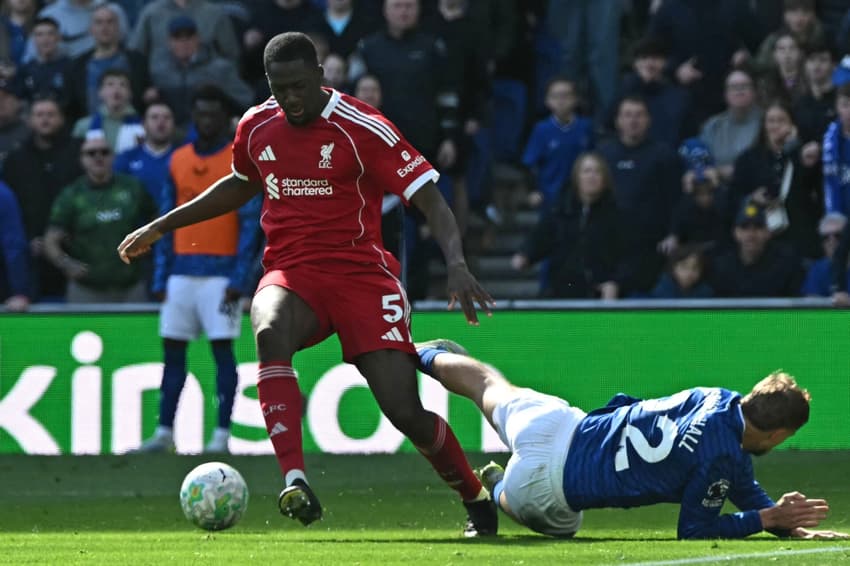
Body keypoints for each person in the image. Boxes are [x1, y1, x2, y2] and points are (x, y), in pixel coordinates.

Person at [117, 32, 497, 536]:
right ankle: (294, 479)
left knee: (404, 411)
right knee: (268, 327)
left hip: (362, 277)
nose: (290, 98)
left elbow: (429, 198)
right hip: (293, 272)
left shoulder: (364, 128)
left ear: (321, 76)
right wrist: (163, 225)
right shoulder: (257, 125)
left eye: (299, 86)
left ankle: (475, 497)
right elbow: (240, 181)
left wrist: (456, 263)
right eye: (280, 88)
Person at [413, 339, 850, 540]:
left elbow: (737, 476)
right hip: (549, 490)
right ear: (775, 433)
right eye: (782, 439)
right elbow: (695, 530)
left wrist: (777, 519)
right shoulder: (719, 455)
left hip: (561, 426)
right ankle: (497, 485)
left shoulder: (715, 398)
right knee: (561, 524)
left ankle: (419, 352)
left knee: (488, 381)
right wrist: (768, 520)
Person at [135, 86, 262, 454]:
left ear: (225, 119)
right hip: (180, 274)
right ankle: (164, 432)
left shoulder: (238, 163)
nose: (206, 120)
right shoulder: (178, 160)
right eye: (200, 113)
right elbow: (163, 219)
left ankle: (221, 435)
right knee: (172, 354)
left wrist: (240, 278)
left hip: (221, 277)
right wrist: (161, 276)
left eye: (212, 114)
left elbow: (250, 224)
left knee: (223, 354)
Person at [46, 133, 155, 303]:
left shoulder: (133, 188)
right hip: (85, 289)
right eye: (91, 153)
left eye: (104, 152)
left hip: (131, 287)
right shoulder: (71, 195)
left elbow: (157, 221)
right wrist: (66, 263)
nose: (98, 157)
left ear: (113, 157)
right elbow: (51, 239)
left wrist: (147, 244)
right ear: (82, 159)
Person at [511, 152, 625, 299]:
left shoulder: (616, 214)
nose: (592, 176)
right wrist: (525, 254)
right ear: (577, 178)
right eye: (586, 171)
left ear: (605, 179)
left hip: (600, 293)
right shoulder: (561, 210)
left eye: (597, 172)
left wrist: (615, 282)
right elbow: (542, 236)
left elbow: (628, 256)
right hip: (562, 290)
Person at [5, 95, 82, 301]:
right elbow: (11, 208)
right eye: (39, 115)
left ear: (62, 119)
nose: (45, 119)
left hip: (73, 247)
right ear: (30, 120)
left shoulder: (78, 153)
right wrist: (28, 237)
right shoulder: (16, 159)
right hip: (30, 251)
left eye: (51, 114)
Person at [521, 77, 594, 210]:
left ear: (576, 99)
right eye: (555, 96)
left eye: (566, 96)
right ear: (547, 101)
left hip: (581, 196)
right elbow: (528, 164)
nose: (561, 101)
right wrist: (533, 191)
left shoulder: (586, 127)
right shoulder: (541, 129)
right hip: (550, 196)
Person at [709, 201, 804, 297]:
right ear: (735, 233)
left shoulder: (786, 263)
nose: (751, 235)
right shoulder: (722, 266)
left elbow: (796, 307)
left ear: (768, 232)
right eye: (744, 227)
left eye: (758, 227)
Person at [801, 212, 848, 296]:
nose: (832, 242)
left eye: (838, 236)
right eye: (825, 237)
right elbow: (812, 302)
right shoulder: (818, 269)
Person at [650, 244, 714, 298]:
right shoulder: (662, 290)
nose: (689, 272)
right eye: (684, 267)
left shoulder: (706, 292)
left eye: (695, 268)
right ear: (673, 268)